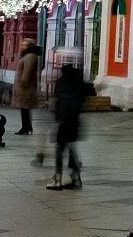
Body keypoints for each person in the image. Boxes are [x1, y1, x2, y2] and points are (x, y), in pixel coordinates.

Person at [46, 56, 93, 191]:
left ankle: (57, 178)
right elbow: (84, 98)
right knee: (71, 148)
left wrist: (58, 117)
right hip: (75, 120)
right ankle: (75, 176)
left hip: (64, 120)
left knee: (60, 149)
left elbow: (61, 102)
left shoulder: (63, 82)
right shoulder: (78, 81)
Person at [13, 38, 43, 140]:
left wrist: (23, 84)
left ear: (30, 46)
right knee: (24, 109)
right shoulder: (28, 56)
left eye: (24, 45)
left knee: (25, 108)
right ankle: (26, 127)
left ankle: (26, 128)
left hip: (26, 88)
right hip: (25, 88)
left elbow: (27, 72)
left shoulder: (30, 57)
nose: (22, 47)